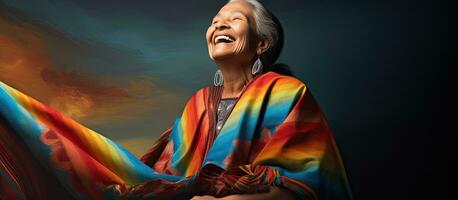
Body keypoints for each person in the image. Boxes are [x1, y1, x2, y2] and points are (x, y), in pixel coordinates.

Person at [0, 0, 353, 199]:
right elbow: (164, 177)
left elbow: (305, 187)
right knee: (45, 136)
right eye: (215, 21)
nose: (219, 25)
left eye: (234, 20)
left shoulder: (287, 94)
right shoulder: (198, 103)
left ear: (261, 44)